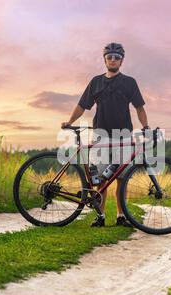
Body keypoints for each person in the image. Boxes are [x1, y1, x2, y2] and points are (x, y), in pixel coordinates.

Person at [61, 42, 149, 227]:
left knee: (121, 178)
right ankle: (100, 216)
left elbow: (139, 107)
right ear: (105, 59)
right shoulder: (96, 82)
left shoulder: (129, 82)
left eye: (117, 57)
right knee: (100, 179)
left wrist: (146, 126)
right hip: (101, 134)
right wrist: (70, 122)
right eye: (110, 57)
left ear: (122, 61)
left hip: (123, 134)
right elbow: (82, 105)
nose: (113, 60)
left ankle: (120, 216)